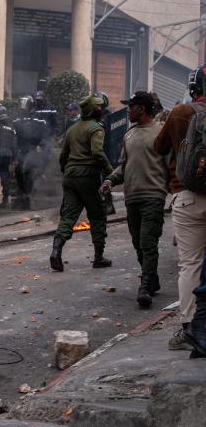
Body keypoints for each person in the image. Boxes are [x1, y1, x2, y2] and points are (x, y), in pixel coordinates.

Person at [154, 64, 206, 352]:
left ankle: (189, 327)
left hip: (185, 195)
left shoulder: (180, 112)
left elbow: (158, 148)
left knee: (190, 264)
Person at [100, 92, 166, 308]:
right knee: (138, 242)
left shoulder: (160, 132)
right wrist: (110, 180)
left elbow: (170, 164)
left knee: (148, 242)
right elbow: (123, 165)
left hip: (153, 196)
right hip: (132, 197)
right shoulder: (129, 135)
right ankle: (152, 278)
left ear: (142, 109)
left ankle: (145, 285)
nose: (128, 111)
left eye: (131, 107)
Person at [50, 95, 113, 272]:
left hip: (70, 176)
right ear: (96, 111)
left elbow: (63, 156)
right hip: (88, 176)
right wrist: (111, 171)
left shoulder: (72, 129)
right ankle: (99, 257)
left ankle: (56, 250)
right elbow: (97, 153)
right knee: (97, 215)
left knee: (68, 215)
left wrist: (66, 171)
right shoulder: (96, 129)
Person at [13, 95, 48, 210]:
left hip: (33, 147)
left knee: (28, 170)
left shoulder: (38, 117)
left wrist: (41, 145)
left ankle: (28, 195)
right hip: (21, 148)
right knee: (18, 170)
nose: (23, 107)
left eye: (25, 105)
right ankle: (23, 193)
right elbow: (15, 135)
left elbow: (44, 133)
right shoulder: (17, 119)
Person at [0, 104, 16, 208]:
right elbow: (15, 142)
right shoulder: (11, 126)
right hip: (8, 154)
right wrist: (15, 157)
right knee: (5, 175)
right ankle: (6, 200)